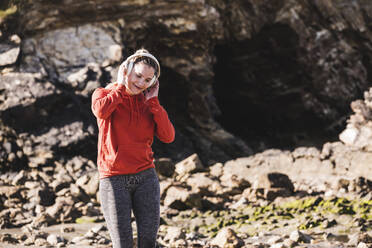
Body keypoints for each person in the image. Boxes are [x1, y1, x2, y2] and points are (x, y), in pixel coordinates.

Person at [91, 48, 175, 248]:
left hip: (146, 178)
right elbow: (101, 111)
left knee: (148, 242)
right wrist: (120, 86)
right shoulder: (103, 94)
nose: (141, 83)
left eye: (147, 80)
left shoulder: (149, 104)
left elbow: (168, 136)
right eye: (138, 75)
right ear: (125, 70)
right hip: (113, 180)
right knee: (123, 244)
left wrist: (153, 102)